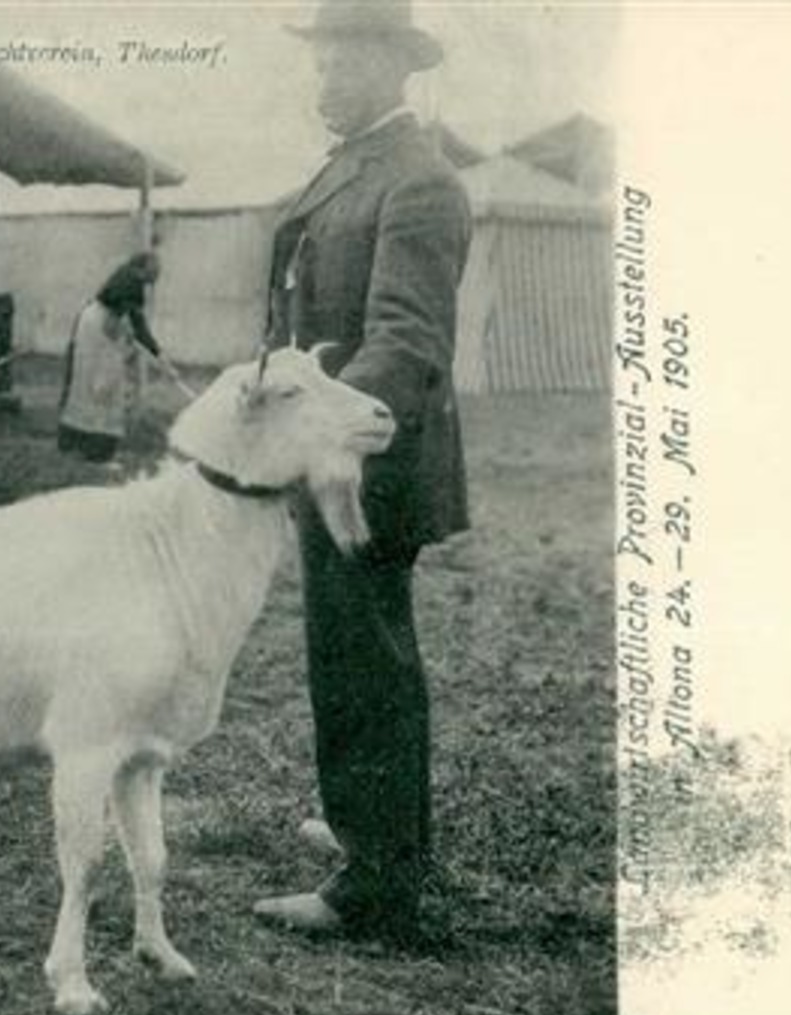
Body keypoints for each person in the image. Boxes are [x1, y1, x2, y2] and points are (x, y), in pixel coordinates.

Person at [251, 0, 473, 942]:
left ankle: (378, 886)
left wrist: (333, 429)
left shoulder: (419, 181)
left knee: (366, 664)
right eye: (320, 61)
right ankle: (365, 829)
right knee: (343, 656)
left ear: (393, 67)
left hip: (367, 463)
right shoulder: (350, 166)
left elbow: (405, 342)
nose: (323, 80)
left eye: (342, 63)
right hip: (326, 451)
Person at [56, 251, 162, 464]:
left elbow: (131, 320)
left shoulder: (127, 276)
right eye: (155, 270)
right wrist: (155, 350)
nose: (158, 275)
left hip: (93, 326)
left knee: (86, 387)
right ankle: (98, 452)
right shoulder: (132, 281)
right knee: (105, 389)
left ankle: (73, 444)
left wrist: (154, 350)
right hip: (100, 330)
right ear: (143, 267)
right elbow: (131, 321)